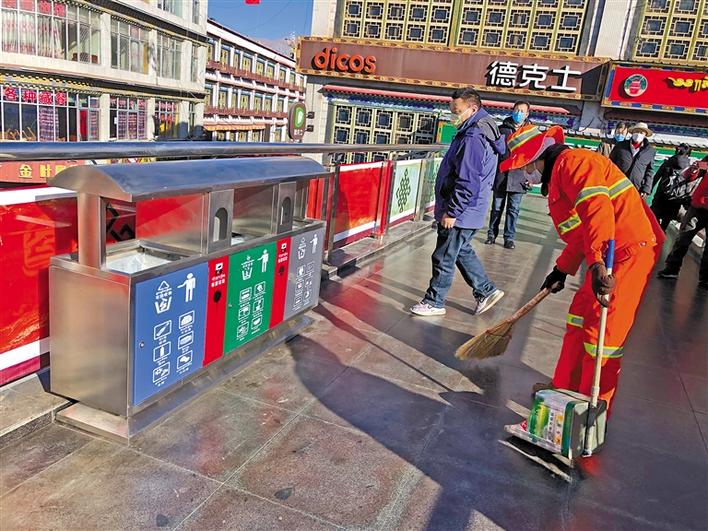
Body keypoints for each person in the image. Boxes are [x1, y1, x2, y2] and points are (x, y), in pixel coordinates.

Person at [499, 124, 664, 414]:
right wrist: (562, 269)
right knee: (578, 317)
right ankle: (563, 390)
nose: (526, 174)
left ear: (538, 158)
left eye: (526, 166)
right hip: (607, 251)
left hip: (628, 252)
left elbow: (597, 211)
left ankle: (591, 410)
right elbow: (581, 233)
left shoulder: (575, 163)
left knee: (604, 333)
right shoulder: (562, 170)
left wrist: (598, 263)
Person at [411, 88, 506, 317]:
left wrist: (452, 211)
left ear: (472, 109)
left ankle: (434, 301)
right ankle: (486, 290)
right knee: (460, 249)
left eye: (457, 111)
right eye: (452, 110)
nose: (453, 115)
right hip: (471, 207)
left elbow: (468, 180)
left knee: (444, 255)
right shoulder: (482, 128)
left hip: (462, 209)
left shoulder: (473, 136)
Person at [485, 100, 533, 249]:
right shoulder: (502, 130)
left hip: (520, 176)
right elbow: (493, 152)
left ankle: (509, 238)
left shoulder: (531, 133)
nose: (519, 113)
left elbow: (534, 157)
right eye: (517, 110)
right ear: (512, 111)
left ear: (527, 114)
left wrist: (531, 177)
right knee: (496, 207)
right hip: (502, 175)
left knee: (513, 209)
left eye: (522, 111)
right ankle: (491, 235)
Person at [657, 156, 708, 289]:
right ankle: (672, 268)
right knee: (683, 237)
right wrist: (694, 171)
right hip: (697, 206)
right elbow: (691, 176)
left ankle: (705, 278)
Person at [650, 144, 693, 231]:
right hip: (675, 199)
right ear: (688, 155)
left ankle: (656, 231)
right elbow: (689, 184)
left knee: (654, 215)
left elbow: (656, 177)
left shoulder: (668, 162)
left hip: (661, 195)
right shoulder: (689, 167)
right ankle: (662, 232)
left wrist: (649, 189)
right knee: (667, 218)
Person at [609, 122, 656, 198]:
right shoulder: (620, 146)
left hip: (636, 188)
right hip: (617, 185)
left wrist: (646, 189)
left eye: (641, 133)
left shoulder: (650, 151)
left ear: (645, 135)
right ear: (632, 132)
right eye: (636, 131)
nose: (638, 134)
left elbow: (649, 171)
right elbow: (610, 164)